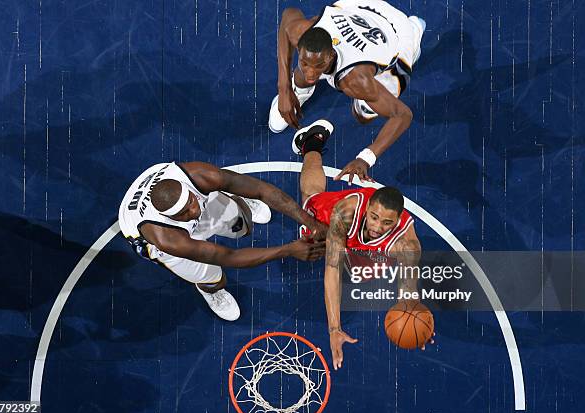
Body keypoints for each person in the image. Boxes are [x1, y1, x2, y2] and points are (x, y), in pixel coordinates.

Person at [292, 119, 432, 369]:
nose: (378, 226)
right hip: (338, 219)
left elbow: (407, 287)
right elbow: (332, 270)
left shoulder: (407, 246)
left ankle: (360, 249)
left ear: (398, 221)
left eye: (386, 223)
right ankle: (310, 143)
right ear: (368, 208)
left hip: (369, 241)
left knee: (363, 274)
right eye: (375, 217)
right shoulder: (346, 212)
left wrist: (415, 320)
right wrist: (334, 328)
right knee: (311, 197)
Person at [118, 161, 327, 321]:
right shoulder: (168, 239)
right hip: (164, 244)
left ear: (189, 190)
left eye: (191, 201)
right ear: (173, 216)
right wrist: (288, 250)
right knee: (215, 277)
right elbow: (229, 256)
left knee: (241, 226)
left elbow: (262, 190)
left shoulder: (201, 176)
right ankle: (210, 290)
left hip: (167, 189)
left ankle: (238, 195)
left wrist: (311, 223)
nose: (194, 210)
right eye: (185, 212)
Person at [270, 0, 425, 184]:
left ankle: (415, 30)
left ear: (332, 55)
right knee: (302, 71)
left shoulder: (355, 81)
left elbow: (402, 115)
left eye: (319, 65)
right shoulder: (301, 31)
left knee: (365, 112)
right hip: (361, 6)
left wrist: (366, 158)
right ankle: (299, 89)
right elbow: (289, 14)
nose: (311, 73)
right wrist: (284, 87)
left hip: (397, 33)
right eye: (305, 63)